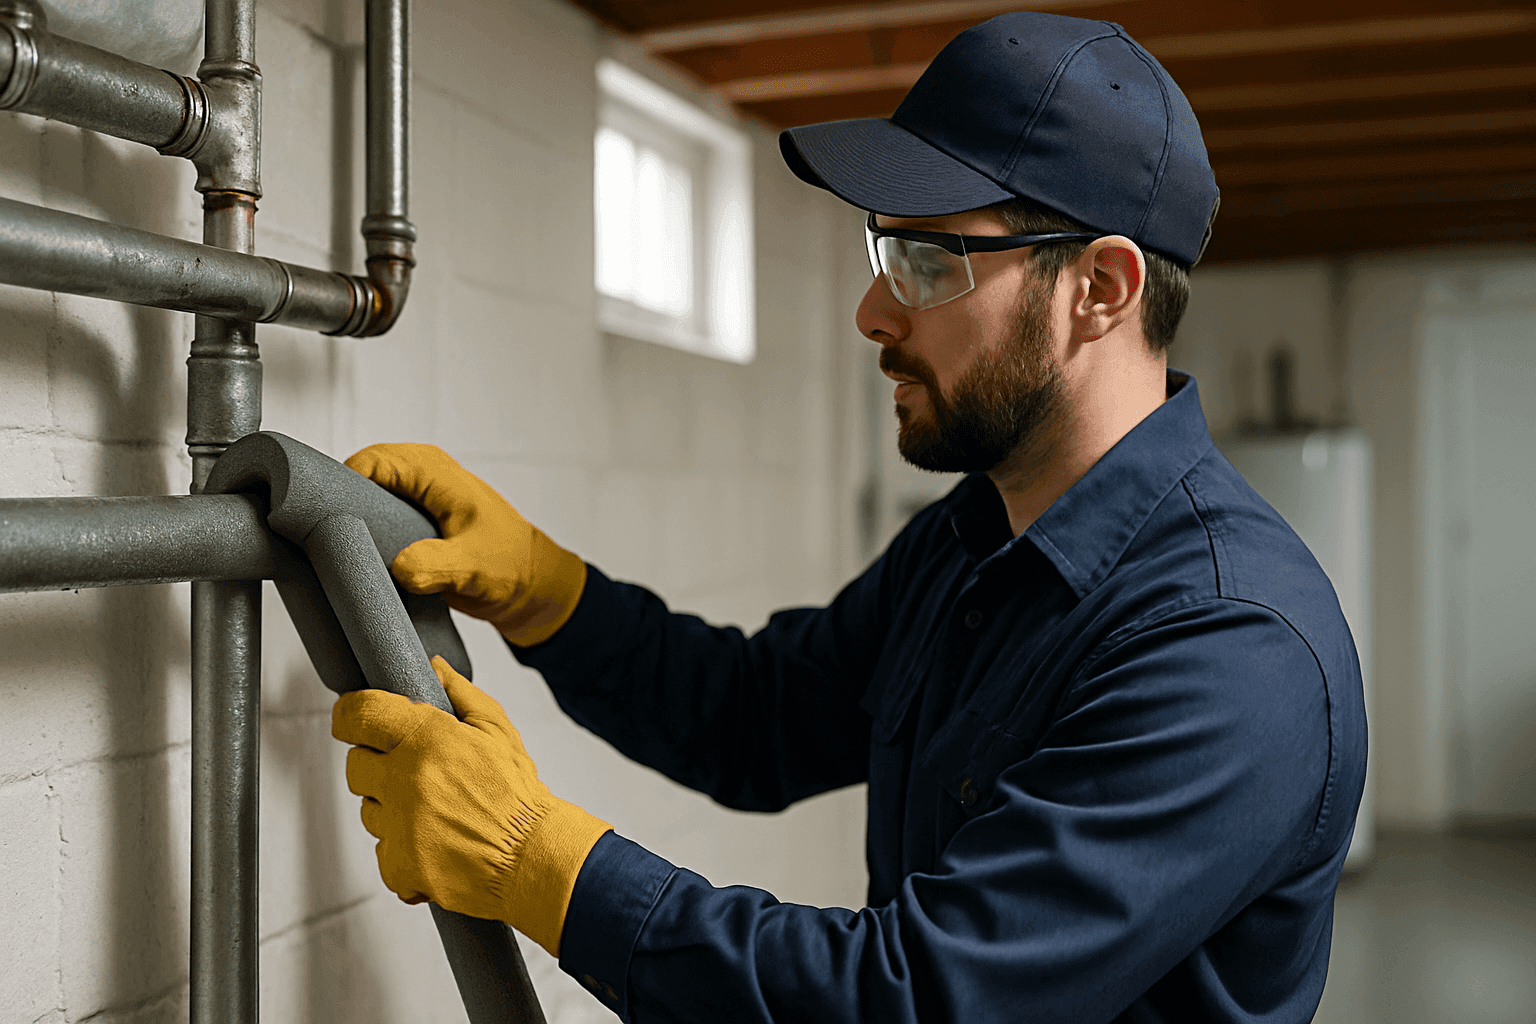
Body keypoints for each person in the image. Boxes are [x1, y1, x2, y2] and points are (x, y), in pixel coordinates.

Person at [331, 11, 1367, 1023]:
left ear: (1099, 287)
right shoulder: (974, 538)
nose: (874, 313)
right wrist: (549, 592)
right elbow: (760, 718)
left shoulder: (1229, 647)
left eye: (928, 261)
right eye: (885, 253)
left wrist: (533, 858)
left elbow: (919, 995)